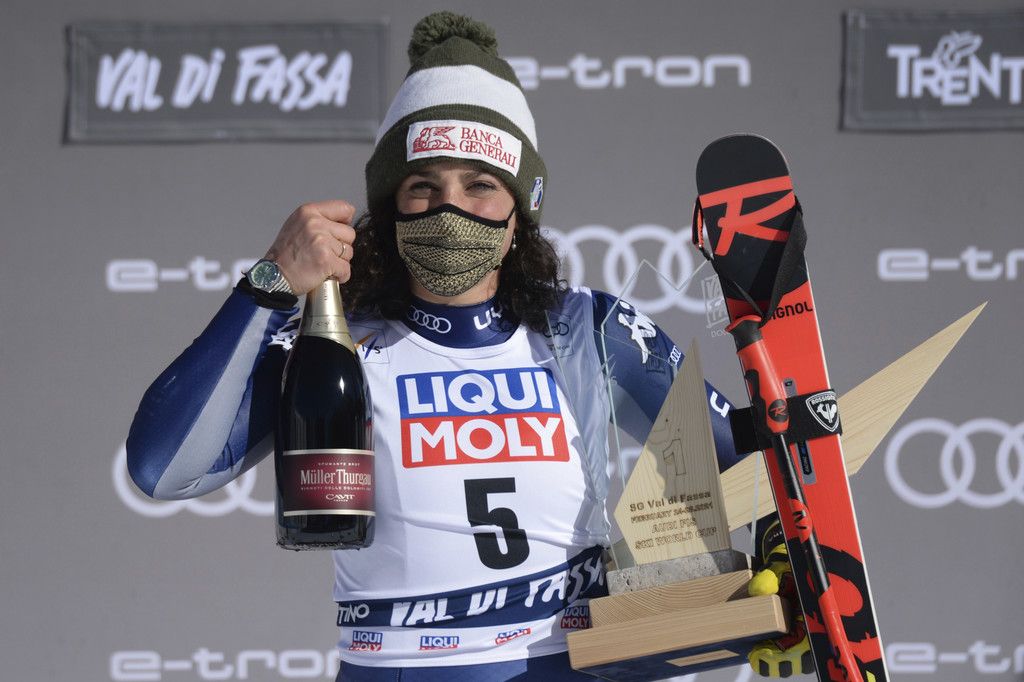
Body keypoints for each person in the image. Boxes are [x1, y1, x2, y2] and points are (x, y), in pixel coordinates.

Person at [127, 12, 758, 681]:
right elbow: (162, 468)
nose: (449, 209)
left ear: (520, 213)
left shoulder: (584, 329)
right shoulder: (337, 340)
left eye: (480, 185)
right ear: (389, 209)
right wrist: (269, 284)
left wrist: (778, 578)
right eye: (423, 185)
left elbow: (747, 461)